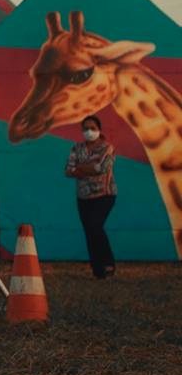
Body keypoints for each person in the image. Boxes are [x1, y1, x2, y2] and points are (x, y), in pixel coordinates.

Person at [65, 115, 117, 279]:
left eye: (92, 128)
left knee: (95, 227)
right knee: (89, 231)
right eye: (85, 128)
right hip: (83, 197)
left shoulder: (108, 148)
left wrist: (80, 168)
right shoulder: (76, 148)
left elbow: (102, 168)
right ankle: (98, 269)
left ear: (99, 129)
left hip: (104, 194)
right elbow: (68, 170)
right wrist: (88, 168)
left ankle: (108, 263)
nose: (89, 131)